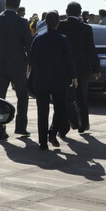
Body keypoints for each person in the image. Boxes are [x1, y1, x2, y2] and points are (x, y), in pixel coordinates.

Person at [0, 0, 32, 141]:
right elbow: (28, 45)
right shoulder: (22, 22)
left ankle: (0, 130)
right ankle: (20, 126)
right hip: (18, 64)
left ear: (6, 3)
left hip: (0, 63)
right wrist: (29, 63)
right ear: (18, 4)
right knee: (22, 96)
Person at [29, 11, 76, 149]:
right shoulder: (63, 39)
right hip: (59, 79)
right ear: (58, 23)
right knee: (60, 108)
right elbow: (69, 60)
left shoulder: (38, 38)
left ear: (46, 23)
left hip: (41, 79)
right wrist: (73, 76)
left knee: (42, 111)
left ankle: (42, 142)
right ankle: (53, 132)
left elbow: (31, 59)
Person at [57, 1, 99, 133]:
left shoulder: (60, 26)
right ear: (80, 13)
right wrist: (96, 68)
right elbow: (91, 49)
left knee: (65, 98)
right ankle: (84, 124)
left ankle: (64, 126)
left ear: (67, 11)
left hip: (63, 69)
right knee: (82, 98)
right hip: (81, 68)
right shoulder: (86, 28)